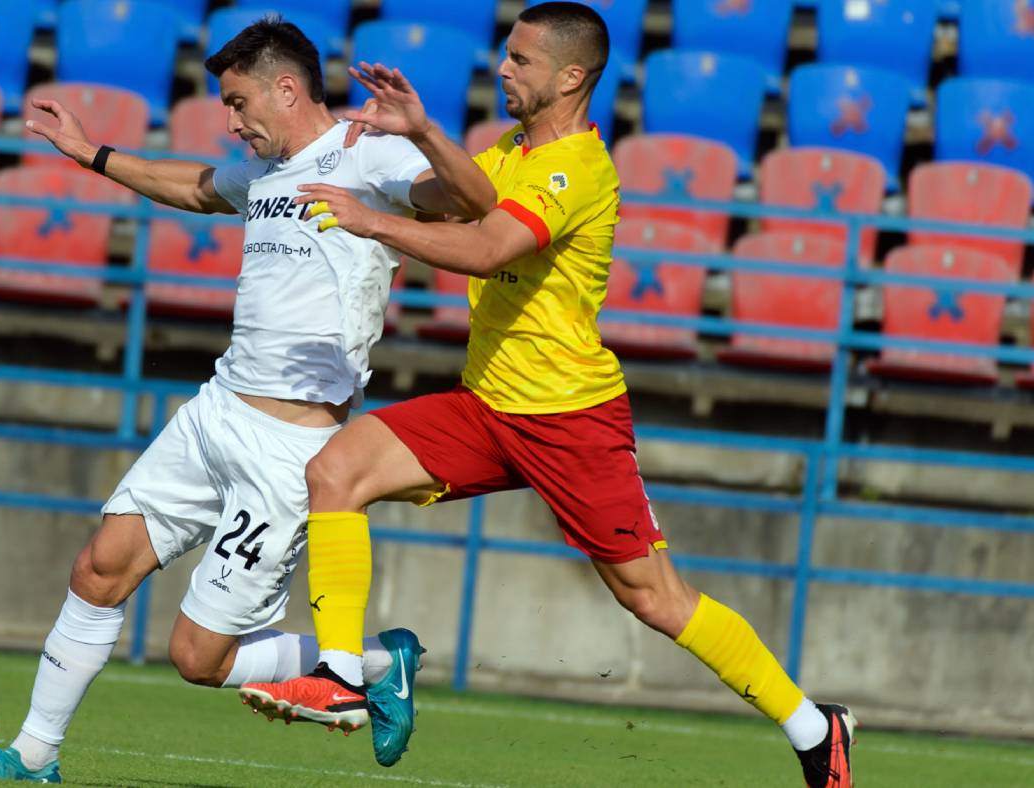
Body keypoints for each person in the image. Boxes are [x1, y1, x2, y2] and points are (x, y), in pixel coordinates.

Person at [237, 4, 856, 786]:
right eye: (506, 54)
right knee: (336, 470)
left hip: (570, 418)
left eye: (521, 60)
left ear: (571, 77)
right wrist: (422, 134)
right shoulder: (511, 151)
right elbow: (456, 198)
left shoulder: (578, 169)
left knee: (654, 598)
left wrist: (373, 224)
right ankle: (342, 675)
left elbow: (487, 245)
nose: (503, 68)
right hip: (485, 404)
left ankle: (814, 729)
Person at [0, 17, 497, 781]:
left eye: (239, 102)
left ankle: (380, 662)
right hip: (215, 414)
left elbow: (472, 203)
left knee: (198, 658)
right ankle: (33, 755)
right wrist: (93, 154)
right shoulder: (263, 172)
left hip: (288, 451)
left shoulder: (369, 154)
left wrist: (425, 133)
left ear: (287, 89)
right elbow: (191, 185)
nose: (232, 121)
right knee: (99, 568)